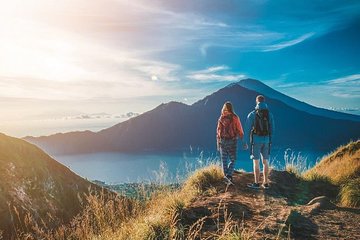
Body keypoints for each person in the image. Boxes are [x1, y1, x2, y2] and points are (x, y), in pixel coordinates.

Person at [245, 95, 275, 189]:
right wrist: (270, 140)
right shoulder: (269, 114)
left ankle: (256, 183)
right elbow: (272, 129)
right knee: (265, 162)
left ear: (256, 102)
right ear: (264, 102)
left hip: (256, 141)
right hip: (266, 140)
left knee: (256, 162)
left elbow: (247, 129)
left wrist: (245, 142)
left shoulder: (252, 114)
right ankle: (265, 183)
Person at [217, 101, 247, 185]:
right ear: (231, 108)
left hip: (222, 141)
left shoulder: (221, 118)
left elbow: (218, 131)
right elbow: (239, 130)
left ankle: (226, 177)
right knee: (233, 159)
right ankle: (229, 176)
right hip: (232, 141)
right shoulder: (235, 117)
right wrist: (243, 141)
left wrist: (218, 142)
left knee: (224, 160)